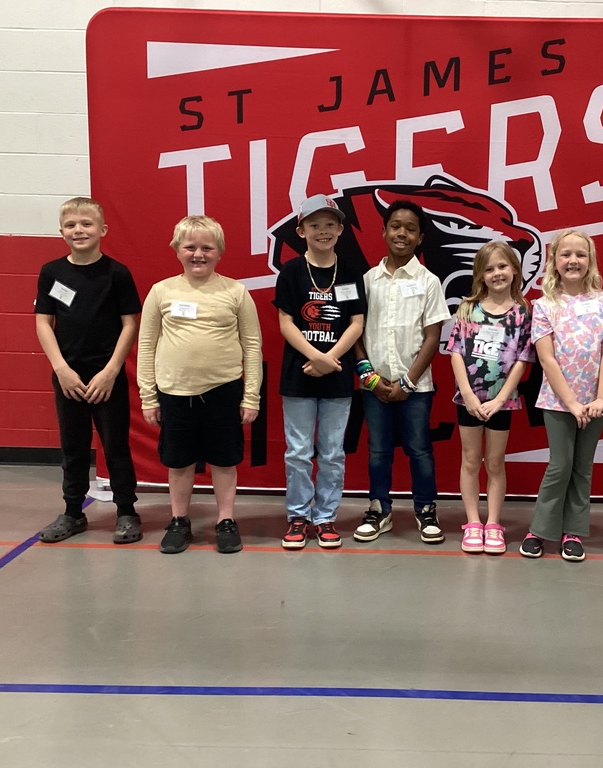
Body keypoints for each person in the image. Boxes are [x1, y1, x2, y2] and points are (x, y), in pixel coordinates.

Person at [137, 215, 263, 555]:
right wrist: (149, 396)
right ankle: (179, 520)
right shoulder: (161, 292)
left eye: (207, 248)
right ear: (177, 250)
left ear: (219, 252)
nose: (198, 254)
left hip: (223, 391)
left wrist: (251, 396)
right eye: (190, 247)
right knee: (178, 463)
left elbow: (252, 345)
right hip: (174, 393)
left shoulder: (236, 292)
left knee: (224, 461)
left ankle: (225, 521)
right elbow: (146, 345)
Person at [35, 197, 142, 544]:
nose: (78, 230)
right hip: (69, 377)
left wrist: (111, 370)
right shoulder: (52, 272)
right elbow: (43, 323)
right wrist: (61, 368)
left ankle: (126, 510)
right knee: (74, 446)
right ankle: (72, 511)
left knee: (115, 446)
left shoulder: (117, 273)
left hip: (105, 377)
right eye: (71, 225)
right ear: (61, 231)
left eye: (86, 224)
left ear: (102, 230)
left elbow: (130, 324)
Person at [353, 201, 451, 544]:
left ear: (420, 237)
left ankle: (425, 510)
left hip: (416, 387)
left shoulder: (428, 281)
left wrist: (408, 382)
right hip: (374, 387)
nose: (402, 234)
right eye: (395, 226)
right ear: (383, 232)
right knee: (378, 450)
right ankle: (379, 509)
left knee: (419, 449)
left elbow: (433, 335)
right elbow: (355, 332)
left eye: (410, 229)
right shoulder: (367, 281)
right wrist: (370, 377)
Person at [519, 230, 603, 562]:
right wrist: (572, 403)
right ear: (554, 261)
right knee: (560, 465)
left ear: (590, 260)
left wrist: (601, 398)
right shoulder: (544, 304)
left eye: (580, 254)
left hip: (596, 400)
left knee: (582, 466)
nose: (573, 260)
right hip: (558, 400)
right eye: (566, 254)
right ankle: (540, 529)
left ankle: (572, 530)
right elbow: (546, 358)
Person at [274, 195, 366, 550]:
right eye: (314, 225)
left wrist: (331, 359)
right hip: (299, 374)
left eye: (330, 224)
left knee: (332, 452)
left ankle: (325, 516)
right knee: (297, 451)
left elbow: (356, 323)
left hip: (338, 377)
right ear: (301, 231)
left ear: (341, 230)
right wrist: (316, 355)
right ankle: (298, 515)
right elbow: (286, 321)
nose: (323, 231)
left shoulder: (351, 271)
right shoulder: (293, 271)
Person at [447, 242, 534, 555]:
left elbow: (523, 359)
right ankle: (472, 522)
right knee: (470, 460)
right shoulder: (469, 309)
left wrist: (500, 400)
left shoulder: (523, 314)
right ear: (480, 275)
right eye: (489, 268)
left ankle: (494, 522)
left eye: (502, 266)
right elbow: (456, 353)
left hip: (501, 402)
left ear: (514, 270)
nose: (497, 273)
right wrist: (468, 395)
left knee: (495, 462)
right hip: (469, 400)